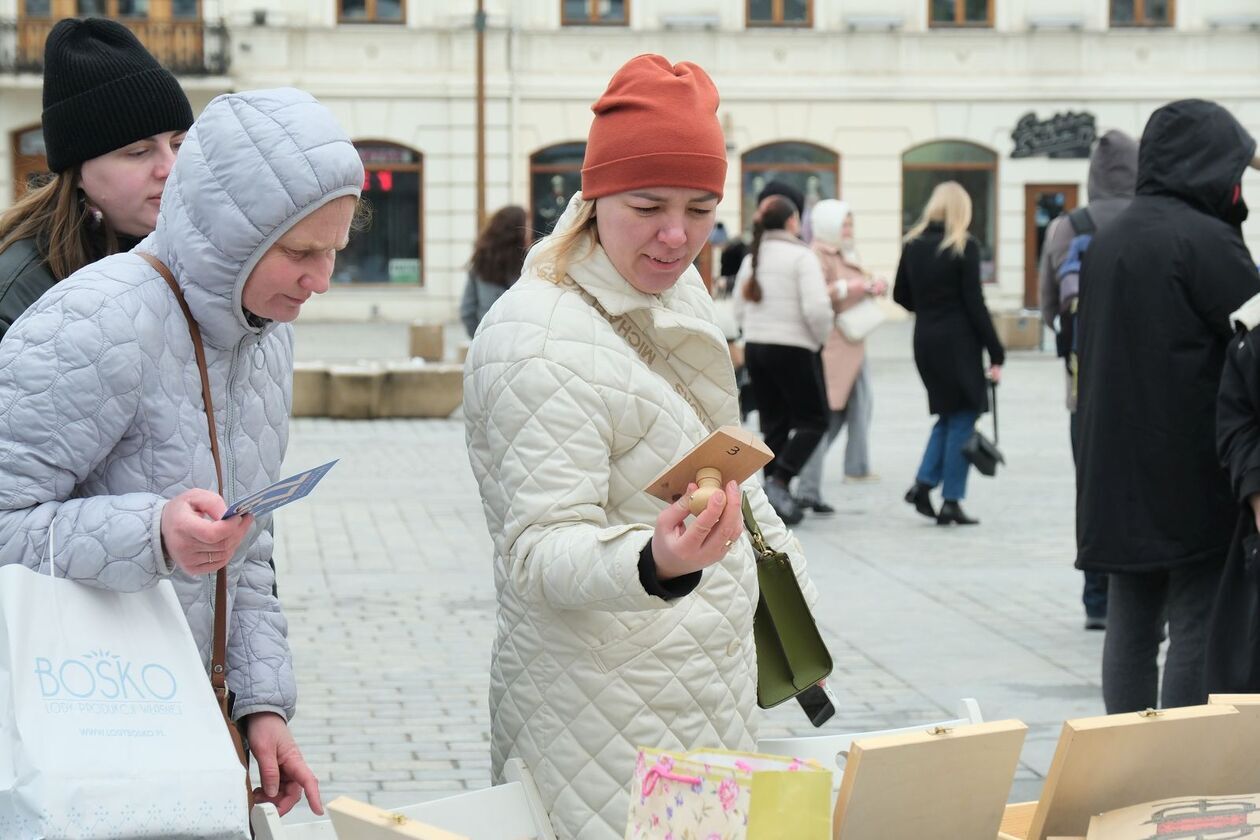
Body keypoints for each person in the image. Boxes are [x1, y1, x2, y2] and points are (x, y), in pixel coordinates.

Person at [463, 54, 820, 840]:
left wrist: (781, 575)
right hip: (601, 722)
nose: (676, 235)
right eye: (648, 204)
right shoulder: (538, 338)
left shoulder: (669, 287)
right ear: (593, 197)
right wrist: (653, 562)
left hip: (704, 695)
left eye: (700, 209)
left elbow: (713, 454)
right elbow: (537, 550)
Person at [0, 87, 364, 816]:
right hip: (77, 738)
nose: (320, 280)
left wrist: (261, 708)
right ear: (233, 235)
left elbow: (248, 549)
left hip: (188, 729)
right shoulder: (93, 319)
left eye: (335, 252)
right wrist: (152, 533)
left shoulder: (263, 333)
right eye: (300, 252)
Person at [1076, 99, 1259, 712]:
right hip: (1188, 470)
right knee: (1196, 622)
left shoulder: (1110, 238)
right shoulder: (1207, 241)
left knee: (1130, 627)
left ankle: (1128, 762)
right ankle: (1176, 769)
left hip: (1112, 469)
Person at [0, 17, 192, 343]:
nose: (169, 167)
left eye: (179, 144)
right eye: (138, 152)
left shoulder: (213, 258)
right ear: (78, 173)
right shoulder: (19, 297)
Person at [1038, 130, 1139, 632]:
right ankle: (1139, 594)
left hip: (1085, 390)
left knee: (1093, 488)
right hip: (1147, 385)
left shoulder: (1066, 226)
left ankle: (1096, 596)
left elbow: (1049, 308)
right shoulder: (1150, 221)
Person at [895, 181, 1005, 526]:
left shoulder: (913, 244)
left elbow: (900, 294)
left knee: (947, 414)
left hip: (925, 339)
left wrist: (927, 309)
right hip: (958, 343)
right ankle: (951, 500)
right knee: (964, 415)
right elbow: (975, 304)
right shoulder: (962, 246)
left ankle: (924, 484)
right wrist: (997, 350)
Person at [734, 194, 834, 525]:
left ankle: (770, 495)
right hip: (794, 347)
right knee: (815, 419)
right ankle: (780, 481)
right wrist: (818, 340)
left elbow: (738, 307)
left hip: (757, 346)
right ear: (792, 222)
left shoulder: (753, 257)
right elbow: (817, 309)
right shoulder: (801, 256)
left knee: (773, 422)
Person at [796, 200, 886, 513]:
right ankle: (804, 478)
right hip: (835, 344)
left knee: (850, 410)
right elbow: (820, 294)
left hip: (854, 342)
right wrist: (853, 286)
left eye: (850, 225)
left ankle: (813, 479)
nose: (848, 231)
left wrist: (872, 287)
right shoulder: (817, 254)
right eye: (844, 225)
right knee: (828, 416)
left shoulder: (846, 251)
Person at [460, 204, 527, 338]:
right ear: (518, 231)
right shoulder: (528, 265)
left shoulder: (480, 263)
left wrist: (479, 338)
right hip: (521, 343)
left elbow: (467, 311)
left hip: (487, 340)